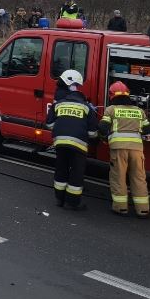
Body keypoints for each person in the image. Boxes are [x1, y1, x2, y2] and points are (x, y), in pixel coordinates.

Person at [45, 69, 99, 210]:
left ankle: (59, 199)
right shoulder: (87, 108)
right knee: (76, 173)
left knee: (61, 169)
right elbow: (93, 133)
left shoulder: (59, 103)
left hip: (60, 143)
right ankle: (73, 202)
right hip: (79, 145)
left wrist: (63, 126)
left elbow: (49, 124)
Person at [99, 81, 150, 218]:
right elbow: (147, 129)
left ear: (112, 95)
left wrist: (105, 138)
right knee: (139, 178)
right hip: (137, 150)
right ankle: (143, 210)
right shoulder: (139, 111)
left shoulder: (111, 110)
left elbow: (102, 128)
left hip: (118, 150)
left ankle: (121, 207)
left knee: (119, 178)